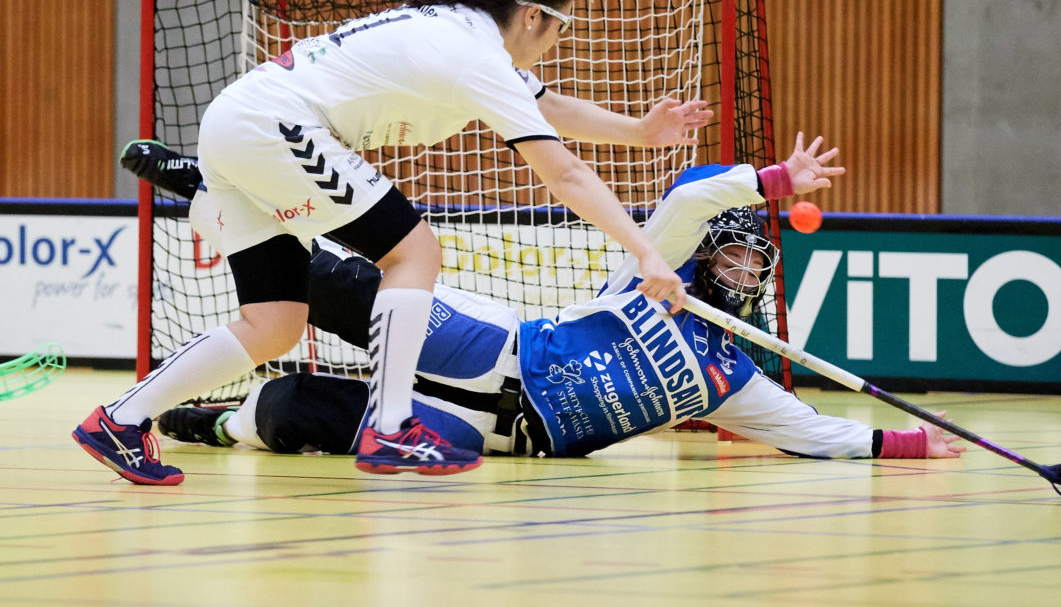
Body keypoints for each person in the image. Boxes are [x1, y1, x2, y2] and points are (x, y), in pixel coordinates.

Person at [74, 0, 707, 486]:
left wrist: (639, 131)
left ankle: (118, 421)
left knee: (273, 324)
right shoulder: (475, 55)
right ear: (533, 16)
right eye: (562, 28)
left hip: (236, 126)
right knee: (415, 252)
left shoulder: (461, 32)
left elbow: (547, 107)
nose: (557, 43)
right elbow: (563, 173)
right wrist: (646, 252)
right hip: (276, 127)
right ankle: (391, 427)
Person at [132, 136, 966, 463]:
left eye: (757, 263)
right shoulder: (653, 278)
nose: (743, 271)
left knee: (290, 409)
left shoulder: (731, 379)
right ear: (708, 256)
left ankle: (215, 422)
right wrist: (773, 181)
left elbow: (811, 431)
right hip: (494, 348)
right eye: (735, 253)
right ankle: (206, 190)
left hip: (503, 436)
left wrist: (906, 442)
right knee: (334, 285)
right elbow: (687, 200)